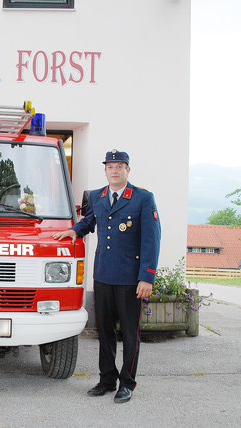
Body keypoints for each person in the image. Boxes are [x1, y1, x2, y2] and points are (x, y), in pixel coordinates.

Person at [53, 149, 161, 403]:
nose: (114, 170)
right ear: (105, 170)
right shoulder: (98, 196)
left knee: (129, 334)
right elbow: (90, 221)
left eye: (119, 166)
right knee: (105, 331)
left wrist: (147, 277)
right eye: (110, 166)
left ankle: (127, 383)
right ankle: (106, 380)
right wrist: (74, 231)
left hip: (130, 278)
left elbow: (151, 240)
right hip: (103, 275)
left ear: (127, 170)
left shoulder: (143, 198)